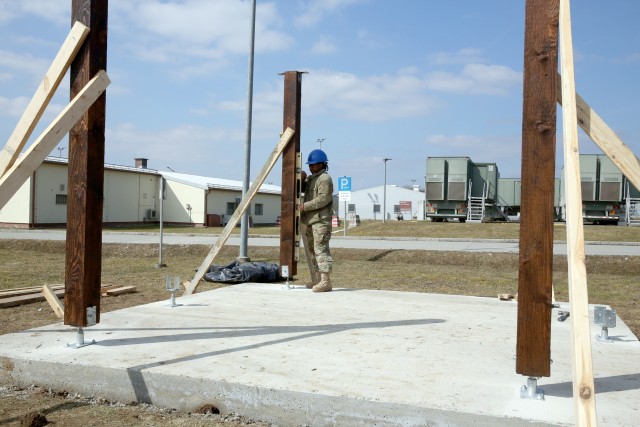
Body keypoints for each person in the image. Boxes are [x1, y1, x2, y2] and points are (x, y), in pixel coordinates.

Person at [299, 149, 334, 292]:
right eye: (310, 165)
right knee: (312, 250)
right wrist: (300, 179)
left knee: (321, 250)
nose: (310, 167)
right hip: (310, 220)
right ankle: (317, 279)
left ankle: (326, 281)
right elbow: (301, 190)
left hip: (321, 220)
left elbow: (324, 198)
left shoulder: (324, 179)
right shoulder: (312, 179)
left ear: (321, 164)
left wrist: (304, 206)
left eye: (313, 165)